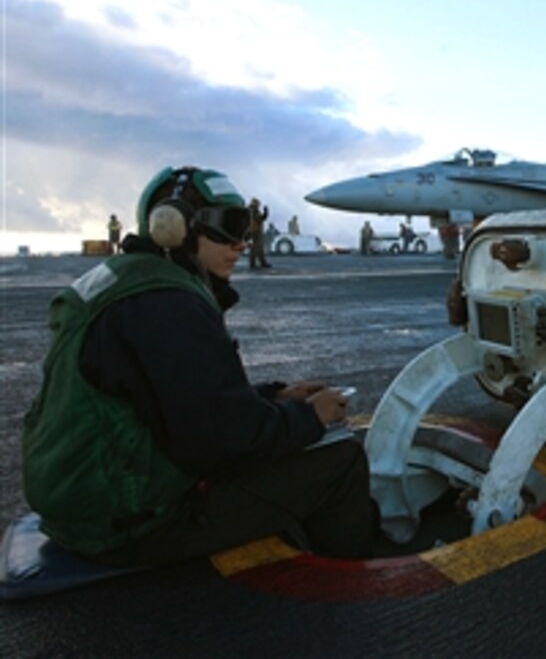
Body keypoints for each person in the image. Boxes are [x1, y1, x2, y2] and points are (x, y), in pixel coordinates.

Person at [21, 166, 377, 567]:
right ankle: (354, 606)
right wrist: (309, 417)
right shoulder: (167, 302)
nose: (241, 244)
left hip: (84, 499)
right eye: (227, 228)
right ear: (173, 228)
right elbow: (225, 443)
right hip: (128, 524)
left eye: (244, 229)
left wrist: (273, 396)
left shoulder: (129, 280)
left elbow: (171, 398)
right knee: (339, 462)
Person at [248, 197, 272, 269]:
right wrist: (266, 213)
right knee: (256, 248)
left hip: (254, 231)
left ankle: (261, 263)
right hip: (256, 231)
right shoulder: (254, 211)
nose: (259, 205)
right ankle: (254, 264)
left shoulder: (252, 210)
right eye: (258, 203)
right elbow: (260, 219)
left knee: (259, 248)